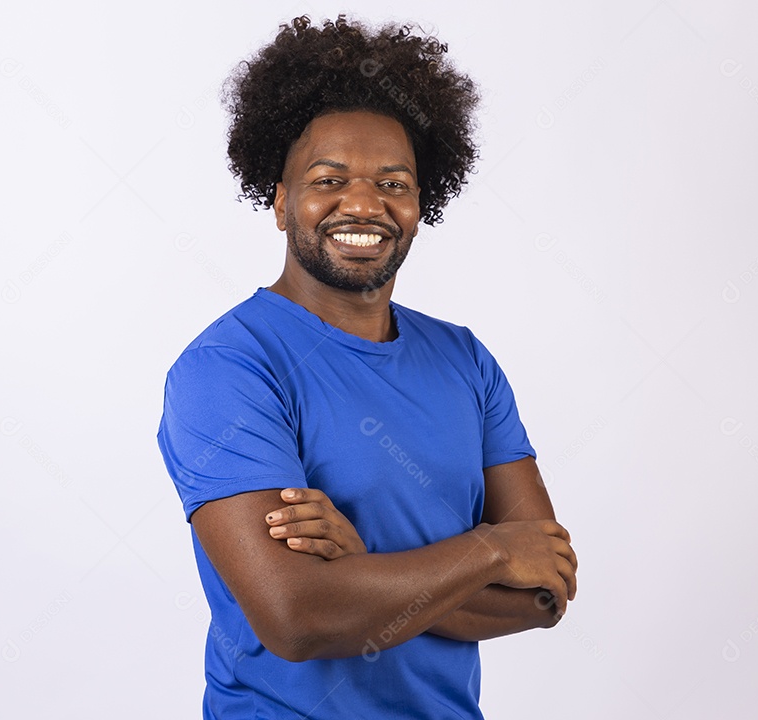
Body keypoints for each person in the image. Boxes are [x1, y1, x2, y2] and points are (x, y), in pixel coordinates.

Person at [157, 14, 577, 719]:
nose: (363, 204)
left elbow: (544, 595)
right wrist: (491, 551)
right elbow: (298, 619)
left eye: (394, 183)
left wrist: (357, 566)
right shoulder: (227, 369)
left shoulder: (466, 361)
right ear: (281, 199)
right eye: (329, 179)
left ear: (421, 203)